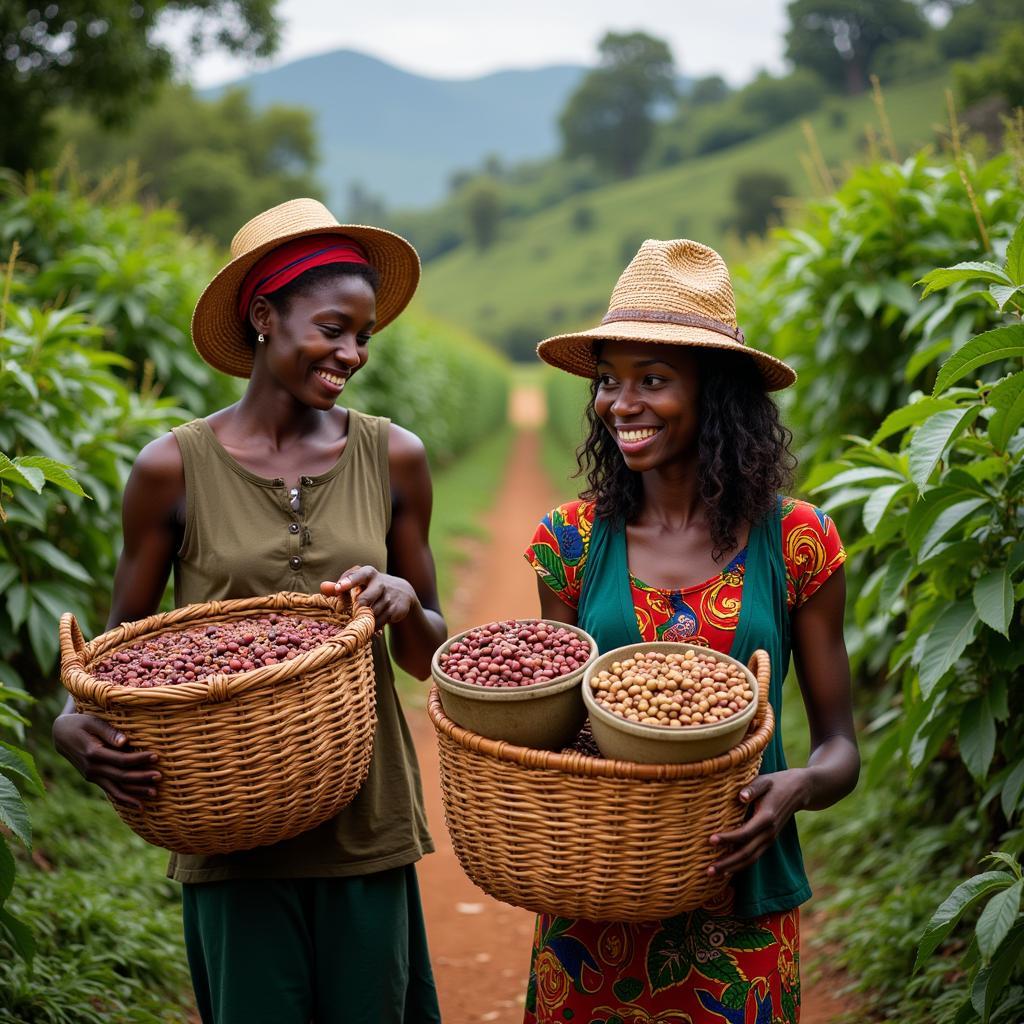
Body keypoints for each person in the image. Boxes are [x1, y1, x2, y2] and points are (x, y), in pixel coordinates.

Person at [53, 198, 445, 1024]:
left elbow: (425, 652)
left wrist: (404, 601)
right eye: (334, 328)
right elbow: (116, 652)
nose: (352, 354)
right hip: (227, 822)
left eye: (365, 336)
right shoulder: (172, 469)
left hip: (363, 814)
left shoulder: (392, 454)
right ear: (264, 316)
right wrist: (71, 721)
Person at [522, 238, 860, 1023]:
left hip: (739, 907)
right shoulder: (569, 542)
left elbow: (841, 747)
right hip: (598, 897)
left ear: (718, 394)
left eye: (653, 380)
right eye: (609, 381)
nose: (620, 403)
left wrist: (799, 787)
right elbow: (555, 733)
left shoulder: (800, 542)